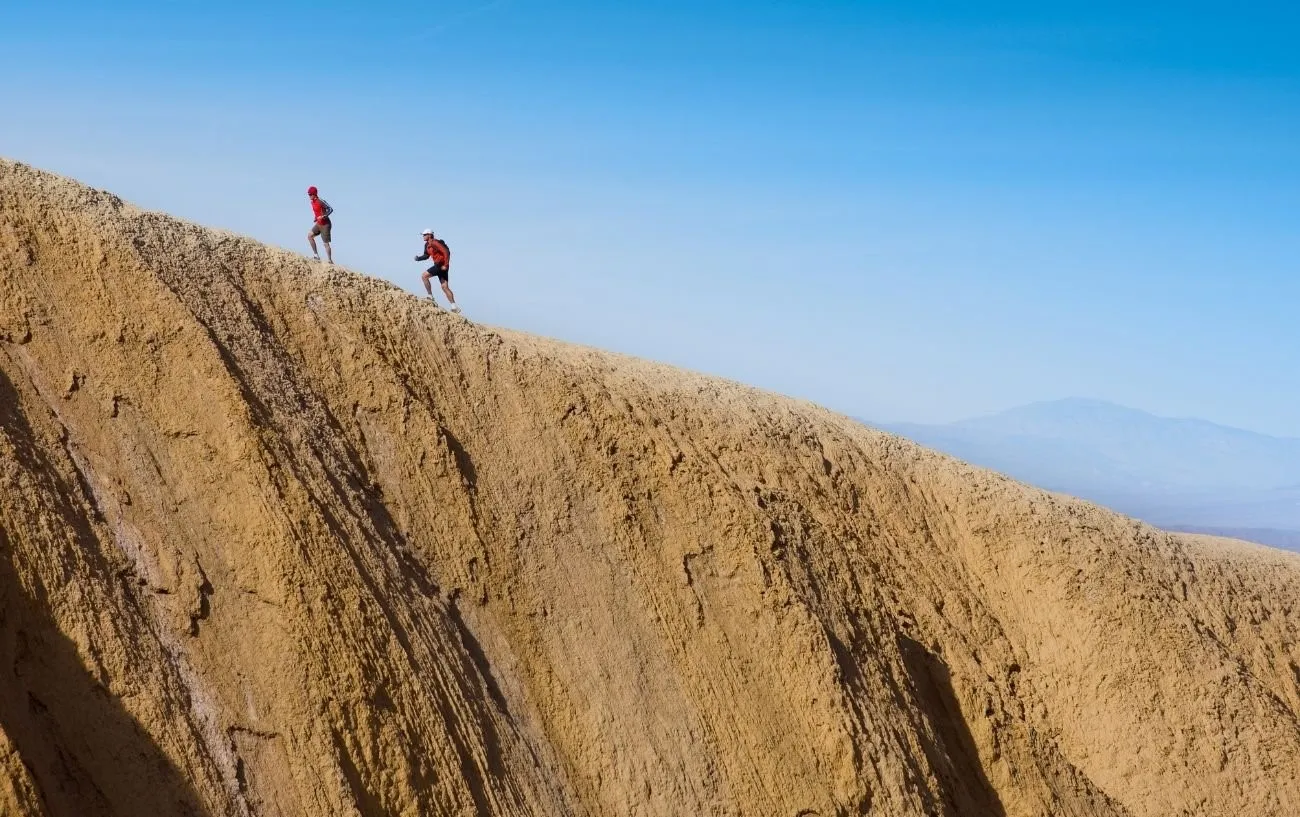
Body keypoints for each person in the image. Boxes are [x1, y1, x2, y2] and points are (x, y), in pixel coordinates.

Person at [415, 229, 459, 312]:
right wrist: (419, 258)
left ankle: (430, 296)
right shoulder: (427, 245)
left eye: (424, 234)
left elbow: (446, 252)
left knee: (424, 276)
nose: (423, 236)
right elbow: (426, 255)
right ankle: (454, 307)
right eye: (423, 235)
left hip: (440, 265)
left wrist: (445, 265)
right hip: (442, 266)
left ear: (429, 235)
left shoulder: (435, 242)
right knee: (444, 287)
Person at [306, 186, 334, 263]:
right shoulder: (312, 202)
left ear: (314, 194)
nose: (309, 196)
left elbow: (330, 209)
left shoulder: (320, 201)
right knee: (309, 236)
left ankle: (330, 260)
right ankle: (316, 255)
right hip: (319, 224)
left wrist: (323, 216)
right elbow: (317, 211)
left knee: (325, 244)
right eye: (308, 194)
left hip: (325, 225)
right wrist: (316, 217)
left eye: (311, 194)